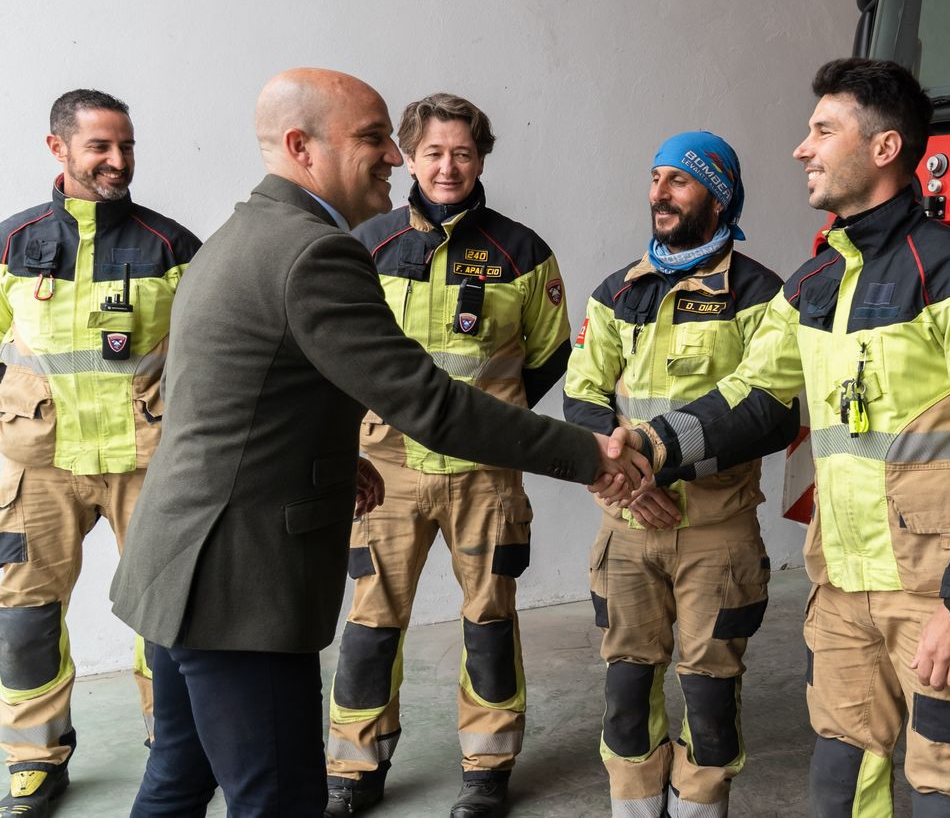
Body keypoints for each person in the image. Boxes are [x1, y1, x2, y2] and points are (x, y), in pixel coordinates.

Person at [108, 68, 645, 818]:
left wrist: (330, 452)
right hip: (238, 586)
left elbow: (240, 392)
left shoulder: (243, 232)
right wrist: (591, 455)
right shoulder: (316, 254)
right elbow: (429, 403)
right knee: (280, 802)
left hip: (177, 562)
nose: (396, 157)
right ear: (301, 146)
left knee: (177, 781)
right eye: (372, 138)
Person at [612, 59, 950, 817]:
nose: (801, 149)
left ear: (884, 150)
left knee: (947, 789)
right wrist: (648, 445)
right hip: (842, 588)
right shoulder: (815, 281)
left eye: (822, 130)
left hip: (932, 592)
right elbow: (751, 400)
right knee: (840, 785)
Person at [320, 92, 574, 818]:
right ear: (407, 156)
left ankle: (487, 771)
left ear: (482, 158)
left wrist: (491, 422)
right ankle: (354, 771)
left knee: (489, 621)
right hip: (385, 472)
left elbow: (549, 354)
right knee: (370, 623)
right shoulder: (363, 243)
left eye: (463, 152)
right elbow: (335, 349)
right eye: (433, 152)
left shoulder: (521, 253)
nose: (448, 166)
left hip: (484, 474)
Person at [564, 131, 795, 818]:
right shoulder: (616, 292)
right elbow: (582, 395)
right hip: (626, 527)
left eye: (680, 181)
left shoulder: (761, 294)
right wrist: (626, 482)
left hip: (716, 537)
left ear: (718, 196)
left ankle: (700, 808)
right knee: (627, 687)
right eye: (656, 177)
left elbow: (769, 412)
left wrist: (652, 466)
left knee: (710, 694)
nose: (659, 194)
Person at [0, 90, 201, 818]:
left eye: (127, 147)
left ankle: (170, 745)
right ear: (58, 149)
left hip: (145, 460)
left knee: (163, 619)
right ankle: (32, 759)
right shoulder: (12, 242)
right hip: (40, 463)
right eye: (100, 148)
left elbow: (208, 354)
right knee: (23, 618)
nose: (118, 162)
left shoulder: (170, 245)